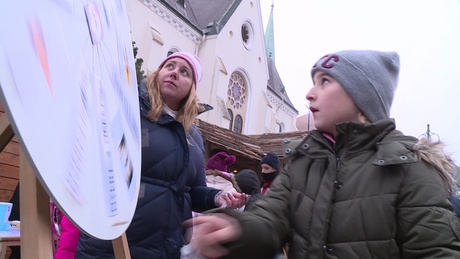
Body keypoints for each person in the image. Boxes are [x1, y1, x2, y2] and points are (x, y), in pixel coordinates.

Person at [188, 49, 460, 258]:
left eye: (325, 81)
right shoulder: (303, 162)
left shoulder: (410, 165)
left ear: (361, 96)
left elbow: (436, 250)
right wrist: (238, 229)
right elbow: (270, 218)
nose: (308, 94)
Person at [76, 51, 247, 259]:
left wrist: (217, 197)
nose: (174, 73)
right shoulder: (129, 108)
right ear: (158, 73)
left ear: (192, 89)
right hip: (114, 245)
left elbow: (192, 191)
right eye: (170, 66)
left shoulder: (194, 136)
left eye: (184, 72)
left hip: (164, 249)